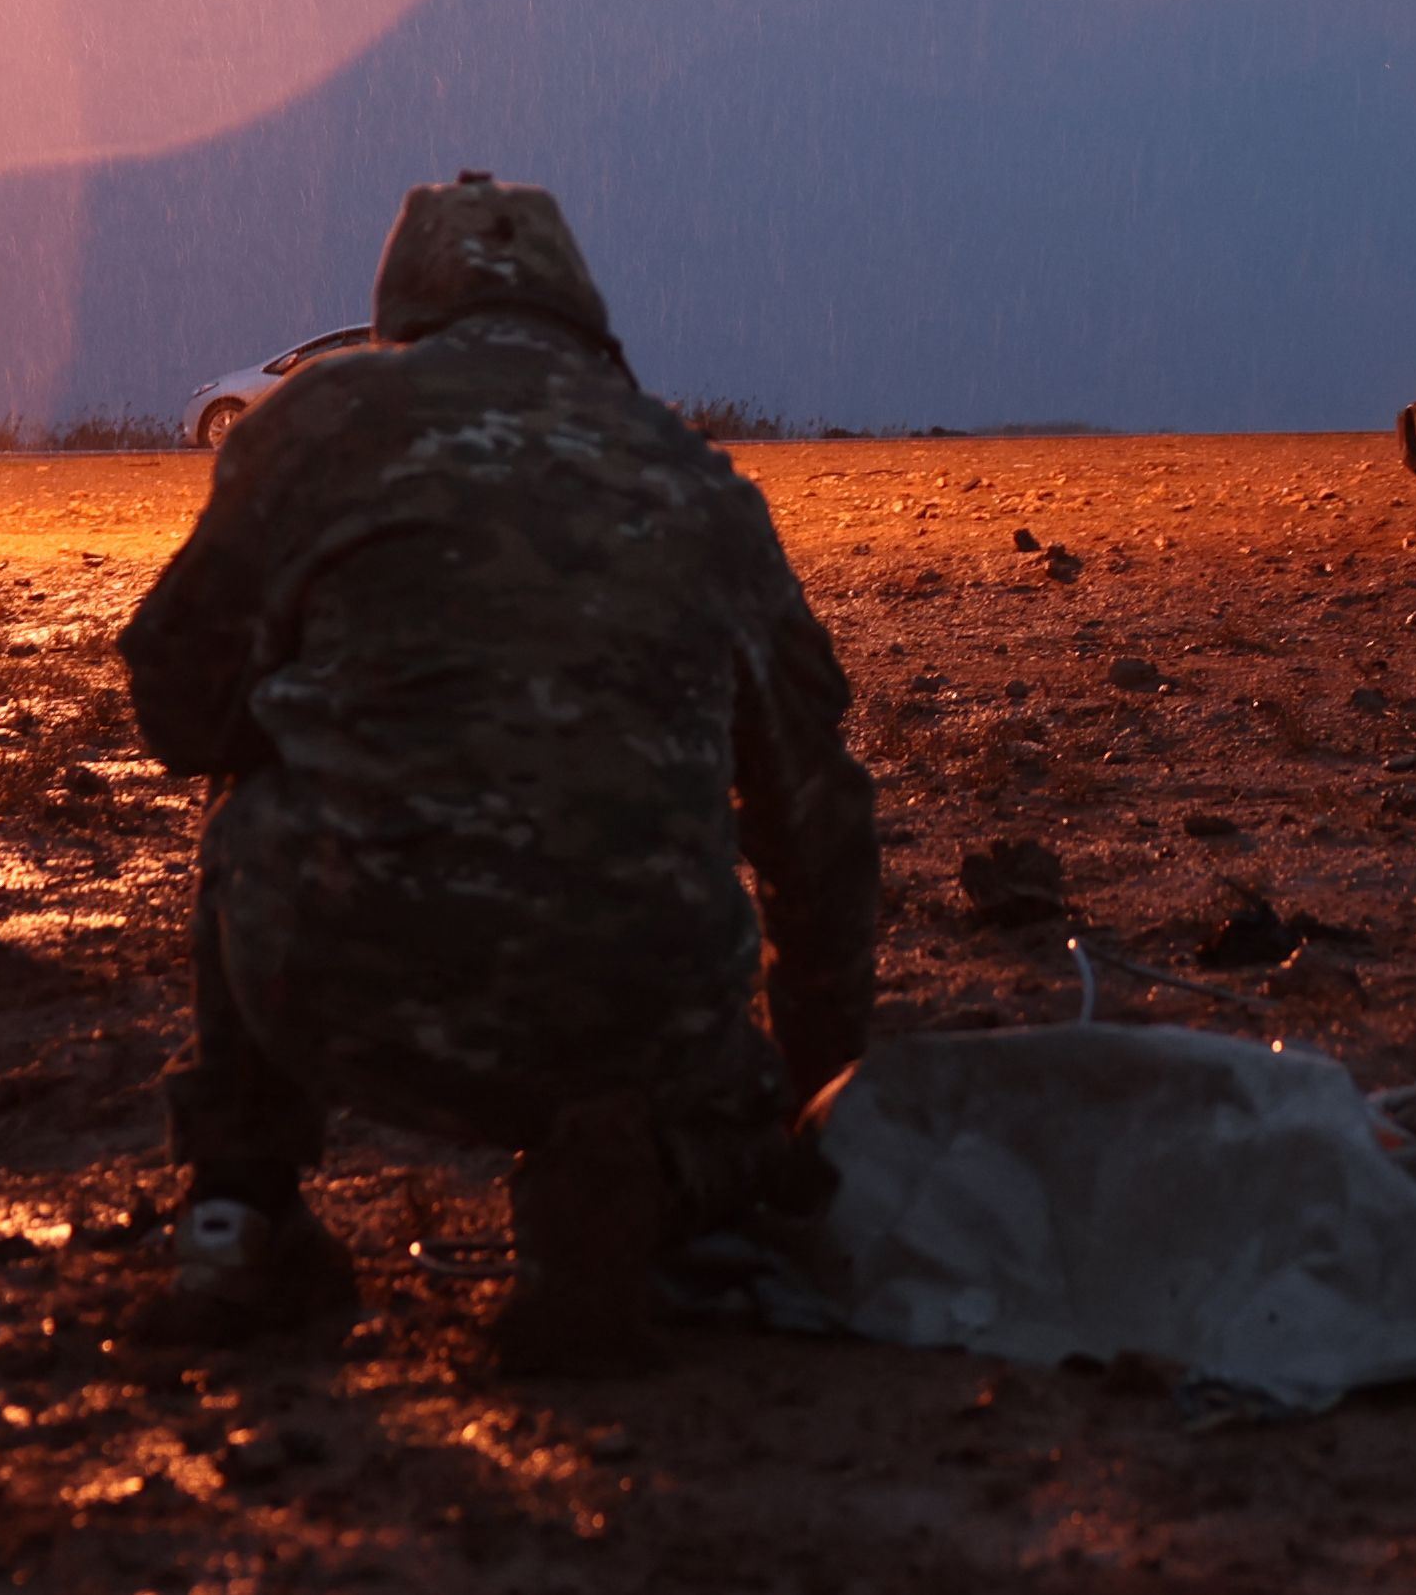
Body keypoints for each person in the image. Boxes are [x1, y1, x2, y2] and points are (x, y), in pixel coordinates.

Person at [118, 173, 881, 1374]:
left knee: (254, 771)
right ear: (587, 317)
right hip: (636, 1020)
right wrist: (821, 1091)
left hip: (341, 992)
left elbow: (179, 707)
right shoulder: (695, 481)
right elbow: (815, 817)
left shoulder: (313, 428)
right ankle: (632, 1167)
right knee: (694, 1072)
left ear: (400, 314)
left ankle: (237, 1220)